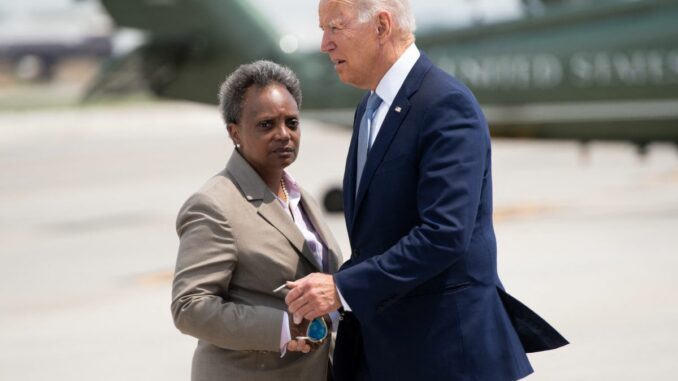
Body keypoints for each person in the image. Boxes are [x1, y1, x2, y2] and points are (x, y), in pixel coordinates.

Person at [285, 1, 569, 380]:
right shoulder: (369, 108)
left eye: (335, 27)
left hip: (447, 355)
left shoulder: (445, 104)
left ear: (382, 26)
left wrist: (342, 288)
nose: (325, 44)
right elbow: (379, 238)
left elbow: (444, 234)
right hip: (391, 351)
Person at [171, 60, 342, 381]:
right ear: (234, 132)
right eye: (266, 125)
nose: (284, 134)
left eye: (292, 122)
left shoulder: (301, 197)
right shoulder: (214, 204)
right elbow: (189, 307)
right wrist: (283, 328)